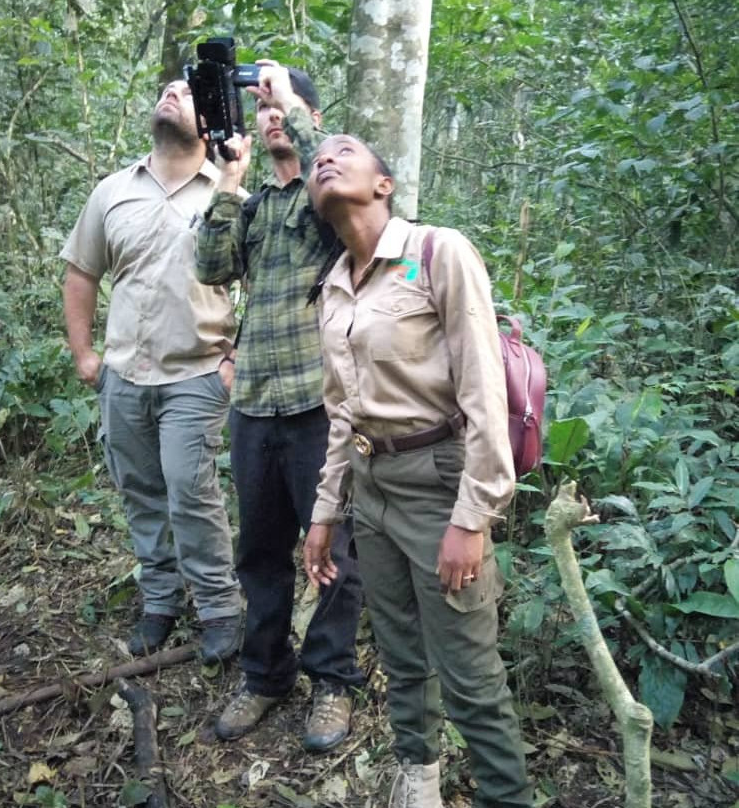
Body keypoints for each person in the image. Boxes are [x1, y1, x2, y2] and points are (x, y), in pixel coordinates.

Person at [303, 135, 533, 807]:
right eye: (320, 156)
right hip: (372, 491)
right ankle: (419, 778)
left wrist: (472, 517)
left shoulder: (438, 251)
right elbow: (341, 414)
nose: (326, 157)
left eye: (345, 149)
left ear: (384, 184)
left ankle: (504, 796)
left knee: (469, 676)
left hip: (440, 484)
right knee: (402, 658)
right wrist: (325, 512)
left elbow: (484, 388)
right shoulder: (335, 286)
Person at [194, 62, 364, 752]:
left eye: (280, 112)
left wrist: (289, 102)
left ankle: (332, 681)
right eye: (261, 111)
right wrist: (229, 182)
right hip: (256, 407)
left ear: (307, 121)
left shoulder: (328, 202)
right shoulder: (258, 203)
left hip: (317, 405)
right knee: (259, 552)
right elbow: (210, 267)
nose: (267, 120)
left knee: (333, 554)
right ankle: (266, 676)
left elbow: (341, 199)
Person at [61, 79, 243, 666]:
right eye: (166, 89)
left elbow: (262, 285)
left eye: (187, 94)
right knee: (139, 490)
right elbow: (82, 272)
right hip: (123, 375)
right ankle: (160, 601)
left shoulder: (227, 190)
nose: (172, 94)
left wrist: (236, 360)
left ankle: (220, 609)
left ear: (210, 119)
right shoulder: (113, 190)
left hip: (196, 371)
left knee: (190, 492)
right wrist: (85, 354)